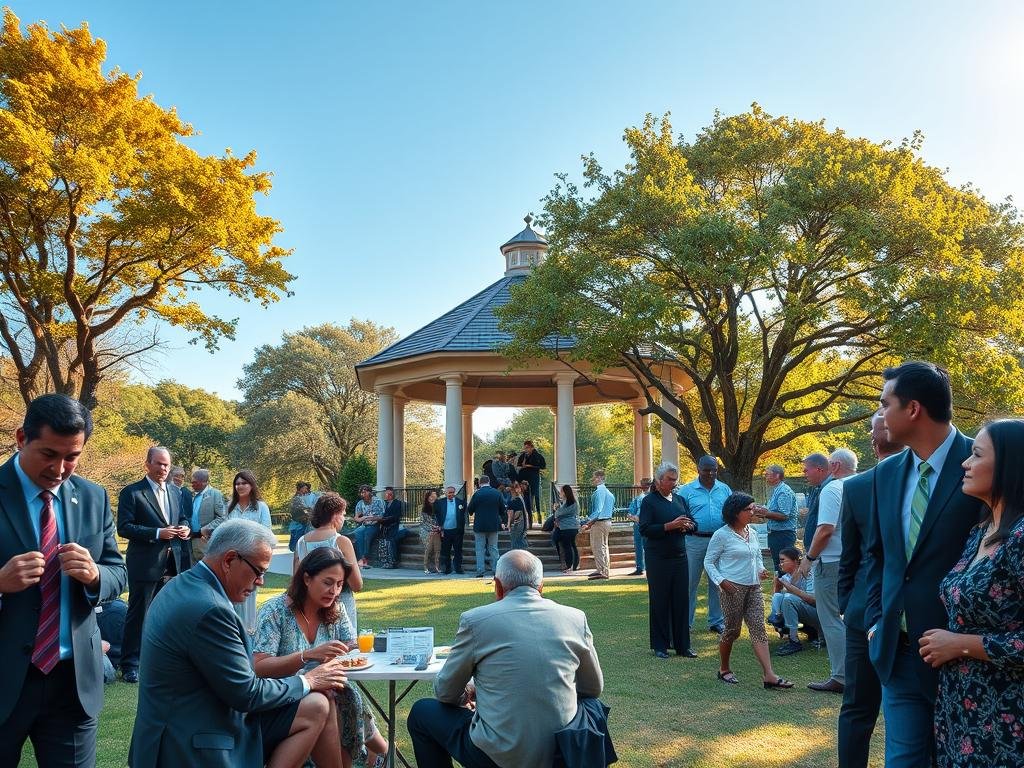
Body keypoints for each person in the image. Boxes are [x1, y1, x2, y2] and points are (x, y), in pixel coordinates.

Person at [128, 518, 350, 768]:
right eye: (259, 571)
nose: (260, 582)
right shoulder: (210, 609)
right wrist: (308, 680)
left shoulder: (184, 585)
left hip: (182, 724)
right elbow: (246, 694)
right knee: (317, 701)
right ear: (229, 560)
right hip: (194, 741)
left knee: (319, 704)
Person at [864, 361, 981, 766]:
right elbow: (879, 555)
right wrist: (878, 618)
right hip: (898, 651)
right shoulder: (886, 474)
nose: (879, 414)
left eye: (885, 404)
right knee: (903, 760)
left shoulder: (983, 464)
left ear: (913, 409)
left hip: (967, 656)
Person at [0, 394, 127, 767]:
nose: (59, 468)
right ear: (22, 437)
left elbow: (116, 570)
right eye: (49, 454)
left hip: (71, 685)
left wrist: (94, 576)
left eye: (72, 456)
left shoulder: (93, 497)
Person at [407, 550, 606, 768]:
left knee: (421, 713)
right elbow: (592, 689)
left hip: (497, 755)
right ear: (541, 587)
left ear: (497, 586)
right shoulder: (575, 618)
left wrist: (468, 695)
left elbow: (445, 692)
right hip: (563, 750)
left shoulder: (475, 620)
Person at [921, 419, 1024, 767]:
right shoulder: (981, 531)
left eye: (976, 455)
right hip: (963, 710)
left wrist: (961, 644)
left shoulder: (1022, 537)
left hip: (1009, 716)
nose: (965, 463)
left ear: (1010, 465)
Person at [256, 547, 387, 768]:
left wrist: (346, 650)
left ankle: (380, 755)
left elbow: (351, 646)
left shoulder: (335, 609)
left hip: (329, 691)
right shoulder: (275, 611)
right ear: (307, 578)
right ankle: (381, 755)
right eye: (328, 583)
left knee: (339, 695)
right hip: (282, 698)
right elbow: (258, 666)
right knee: (332, 698)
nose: (334, 591)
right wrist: (308, 655)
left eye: (339, 585)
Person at [837, 412, 902, 768]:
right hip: (864, 614)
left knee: (864, 707)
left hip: (894, 611)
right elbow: (851, 553)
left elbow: (850, 557)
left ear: (873, 443)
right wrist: (850, 603)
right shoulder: (858, 486)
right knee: (859, 706)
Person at [704, 492, 793, 689]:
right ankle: (724, 669)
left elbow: (757, 556)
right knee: (732, 631)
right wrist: (721, 581)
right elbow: (709, 562)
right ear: (735, 512)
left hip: (754, 588)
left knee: (758, 629)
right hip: (732, 589)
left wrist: (760, 569)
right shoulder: (722, 535)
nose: (753, 512)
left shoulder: (751, 532)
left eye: (753, 508)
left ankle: (769, 675)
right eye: (749, 509)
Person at [117, 445, 189, 683]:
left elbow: (181, 518)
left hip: (173, 562)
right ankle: (130, 664)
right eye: (158, 463)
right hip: (145, 564)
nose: (163, 468)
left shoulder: (176, 492)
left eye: (166, 464)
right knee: (138, 614)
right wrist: (158, 533)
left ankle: (159, 659)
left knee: (166, 614)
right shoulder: (132, 492)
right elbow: (124, 527)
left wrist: (185, 528)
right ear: (147, 464)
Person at [797, 447, 857, 694]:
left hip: (831, 562)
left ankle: (842, 676)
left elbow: (825, 530)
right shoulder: (859, 483)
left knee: (830, 618)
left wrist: (809, 558)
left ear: (832, 467)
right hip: (852, 559)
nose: (803, 473)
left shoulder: (834, 488)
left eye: (806, 469)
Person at [638, 462, 697, 659]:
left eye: (675, 479)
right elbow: (645, 529)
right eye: (670, 479)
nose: (674, 483)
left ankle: (683, 646)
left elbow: (693, 522)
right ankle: (660, 646)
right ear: (659, 481)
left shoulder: (679, 500)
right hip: (658, 559)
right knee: (660, 600)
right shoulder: (649, 502)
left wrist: (688, 526)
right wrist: (669, 526)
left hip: (680, 558)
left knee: (681, 600)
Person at [676, 456, 732, 634]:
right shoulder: (686, 491)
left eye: (714, 469)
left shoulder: (724, 489)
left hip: (718, 541)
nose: (710, 473)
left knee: (717, 582)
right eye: (706, 469)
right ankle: (685, 622)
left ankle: (716, 621)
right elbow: (678, 512)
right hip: (694, 541)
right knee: (689, 583)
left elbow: (731, 513)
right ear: (698, 469)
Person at [293, 493, 364, 632]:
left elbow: (296, 582)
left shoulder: (301, 542)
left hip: (310, 608)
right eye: (343, 514)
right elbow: (357, 585)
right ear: (334, 515)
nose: (343, 519)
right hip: (339, 605)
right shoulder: (341, 541)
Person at [225, 469, 273, 634]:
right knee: (232, 600)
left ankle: (249, 641)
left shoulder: (260, 507)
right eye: (237, 483)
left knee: (249, 600)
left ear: (251, 485)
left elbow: (266, 535)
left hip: (252, 561)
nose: (240, 486)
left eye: (244, 483)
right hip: (232, 561)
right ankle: (233, 636)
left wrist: (261, 568)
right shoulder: (230, 507)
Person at [768, 547, 818, 656]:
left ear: (795, 561)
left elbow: (813, 601)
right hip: (806, 618)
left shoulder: (808, 574)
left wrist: (790, 587)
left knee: (788, 598)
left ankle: (794, 641)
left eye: (783, 560)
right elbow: (778, 599)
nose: (780, 564)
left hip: (820, 617)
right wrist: (776, 586)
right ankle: (779, 621)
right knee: (781, 598)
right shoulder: (786, 577)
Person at [758, 465, 799, 573]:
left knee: (783, 567)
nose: (766, 476)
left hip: (783, 535)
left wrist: (764, 513)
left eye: (768, 474)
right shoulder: (777, 490)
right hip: (776, 534)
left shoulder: (783, 492)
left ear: (777, 475)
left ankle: (788, 589)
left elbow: (784, 515)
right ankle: (779, 589)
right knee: (778, 567)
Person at [581, 470, 616, 580]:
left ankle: (602, 570)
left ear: (600, 478)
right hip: (607, 521)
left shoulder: (600, 491)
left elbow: (598, 510)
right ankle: (603, 569)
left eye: (595, 477)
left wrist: (587, 523)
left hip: (600, 522)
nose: (593, 480)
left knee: (598, 546)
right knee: (603, 546)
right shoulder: (609, 493)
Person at [468, 475, 505, 577]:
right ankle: (496, 569)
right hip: (493, 525)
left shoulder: (477, 494)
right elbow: (502, 509)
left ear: (480, 483)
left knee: (480, 549)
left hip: (479, 525)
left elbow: (470, 509)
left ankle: (480, 570)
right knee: (493, 548)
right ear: (489, 482)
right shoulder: (497, 493)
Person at [188, 467, 228, 563]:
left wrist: (203, 531)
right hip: (191, 540)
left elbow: (222, 518)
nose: (192, 485)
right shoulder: (193, 495)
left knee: (206, 570)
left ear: (204, 482)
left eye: (195, 482)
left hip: (205, 541)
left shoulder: (215, 494)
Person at [434, 485, 467, 575]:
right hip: (445, 531)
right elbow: (436, 515)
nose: (451, 494)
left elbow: (463, 515)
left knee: (458, 550)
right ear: (445, 493)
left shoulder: (461, 502)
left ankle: (458, 568)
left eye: (452, 492)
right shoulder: (440, 502)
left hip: (457, 531)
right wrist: (439, 526)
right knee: (446, 550)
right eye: (449, 492)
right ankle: (447, 568)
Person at [377, 487, 410, 569]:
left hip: (393, 526)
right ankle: (385, 562)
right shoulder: (384, 504)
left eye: (389, 494)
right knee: (383, 542)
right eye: (386, 494)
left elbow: (396, 516)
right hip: (385, 527)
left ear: (392, 495)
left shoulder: (397, 503)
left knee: (391, 542)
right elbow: (382, 515)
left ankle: (393, 562)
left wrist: (385, 519)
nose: (387, 495)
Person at [515, 439, 546, 524]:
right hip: (524, 479)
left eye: (527, 448)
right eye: (525, 448)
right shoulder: (522, 456)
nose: (526, 450)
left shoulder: (538, 456)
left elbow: (543, 466)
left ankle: (538, 514)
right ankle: (528, 516)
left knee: (536, 495)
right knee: (526, 497)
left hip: (534, 477)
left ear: (532, 447)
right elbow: (518, 466)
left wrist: (529, 465)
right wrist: (521, 467)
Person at [352, 485, 384, 568]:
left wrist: (371, 518)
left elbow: (382, 517)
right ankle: (361, 558)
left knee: (367, 534)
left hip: (375, 525)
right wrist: (361, 518)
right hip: (364, 525)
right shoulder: (360, 503)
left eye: (364, 492)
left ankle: (365, 558)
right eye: (361, 493)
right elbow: (356, 518)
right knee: (357, 533)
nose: (362, 494)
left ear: (370, 492)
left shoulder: (378, 501)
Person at [554, 484, 582, 574]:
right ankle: (573, 565)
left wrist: (556, 510)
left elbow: (559, 513)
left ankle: (570, 566)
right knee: (571, 546)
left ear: (565, 492)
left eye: (561, 491)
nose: (560, 493)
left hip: (568, 527)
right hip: (569, 527)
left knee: (568, 547)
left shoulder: (571, 503)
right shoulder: (567, 502)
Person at [626, 478, 651, 576]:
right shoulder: (641, 497)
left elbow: (633, 512)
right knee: (643, 546)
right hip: (642, 524)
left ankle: (641, 567)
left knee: (642, 546)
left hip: (642, 524)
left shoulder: (642, 498)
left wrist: (634, 517)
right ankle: (642, 567)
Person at [288, 482, 318, 552]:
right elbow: (302, 509)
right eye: (305, 488)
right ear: (301, 488)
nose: (306, 490)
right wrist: (311, 512)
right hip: (299, 523)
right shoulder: (297, 498)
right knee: (295, 545)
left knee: (297, 544)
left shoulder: (299, 497)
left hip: (299, 523)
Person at [419, 490, 442, 573]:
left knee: (437, 550)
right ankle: (426, 567)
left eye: (434, 496)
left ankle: (436, 567)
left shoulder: (438, 506)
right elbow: (423, 521)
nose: (433, 497)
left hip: (437, 531)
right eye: (431, 496)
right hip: (426, 531)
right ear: (427, 497)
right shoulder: (423, 507)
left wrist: (439, 528)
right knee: (428, 550)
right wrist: (433, 528)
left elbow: (440, 518)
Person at [506, 482, 529, 551]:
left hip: (517, 526)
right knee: (521, 543)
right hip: (523, 524)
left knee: (514, 545)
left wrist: (509, 525)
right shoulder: (521, 498)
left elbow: (512, 515)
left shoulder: (513, 501)